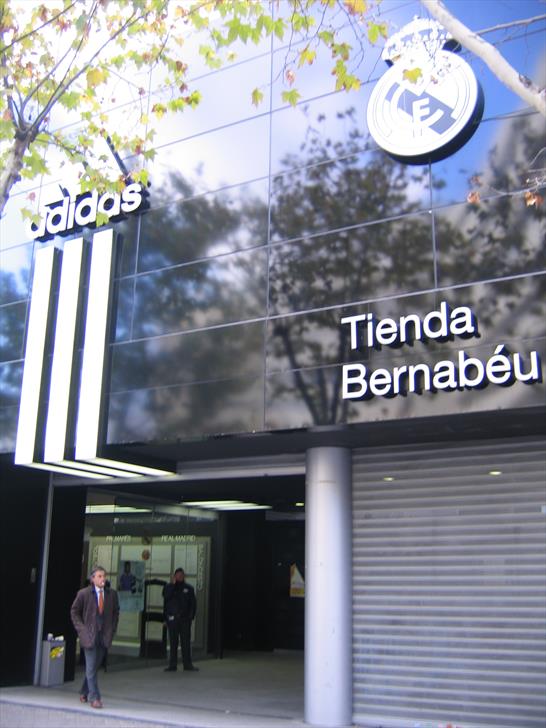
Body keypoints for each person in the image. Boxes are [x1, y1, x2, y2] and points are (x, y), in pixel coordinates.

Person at [70, 566, 119, 708]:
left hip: (104, 636)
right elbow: (74, 612)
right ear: (92, 579)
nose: (102, 579)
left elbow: (116, 612)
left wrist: (112, 629)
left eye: (104, 576)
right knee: (91, 666)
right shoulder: (83, 594)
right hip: (89, 635)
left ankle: (84, 692)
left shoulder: (111, 594)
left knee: (94, 667)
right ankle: (94, 697)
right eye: (99, 576)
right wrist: (82, 629)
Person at [162, 568, 198, 672]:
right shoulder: (168, 587)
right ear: (174, 576)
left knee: (185, 643)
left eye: (182, 575)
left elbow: (193, 604)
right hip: (172, 619)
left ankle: (187, 664)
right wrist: (165, 619)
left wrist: (191, 617)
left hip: (184, 620)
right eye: (178, 575)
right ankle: (172, 665)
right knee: (173, 643)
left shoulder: (189, 588)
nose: (180, 577)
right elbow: (166, 599)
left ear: (184, 576)